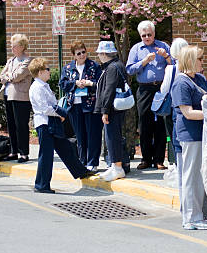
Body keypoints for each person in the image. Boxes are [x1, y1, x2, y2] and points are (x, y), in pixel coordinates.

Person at [170, 45, 207, 230]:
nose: (202, 62)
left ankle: (200, 215)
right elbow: (188, 113)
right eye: (200, 59)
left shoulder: (199, 79)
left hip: (203, 133)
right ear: (190, 60)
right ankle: (191, 218)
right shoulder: (180, 83)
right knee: (191, 177)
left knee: (202, 175)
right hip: (190, 135)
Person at [28, 58, 95, 193]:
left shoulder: (43, 86)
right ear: (40, 72)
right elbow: (44, 108)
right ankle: (41, 185)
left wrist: (58, 112)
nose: (49, 71)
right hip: (45, 124)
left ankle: (81, 171)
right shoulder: (37, 87)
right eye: (47, 69)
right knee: (46, 156)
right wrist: (60, 113)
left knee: (65, 148)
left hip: (52, 122)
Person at [126, 20, 172, 170]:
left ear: (154, 34)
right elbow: (130, 69)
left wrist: (166, 57)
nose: (147, 37)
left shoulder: (163, 46)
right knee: (144, 124)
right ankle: (146, 159)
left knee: (160, 124)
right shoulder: (136, 49)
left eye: (149, 34)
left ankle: (159, 159)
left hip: (160, 89)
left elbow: (175, 65)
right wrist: (144, 61)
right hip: (144, 89)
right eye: (144, 35)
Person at [59, 41, 103, 171]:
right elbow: (63, 84)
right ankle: (82, 161)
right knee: (80, 135)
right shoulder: (68, 68)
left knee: (93, 134)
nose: (82, 55)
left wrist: (89, 83)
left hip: (90, 104)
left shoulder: (94, 66)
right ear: (74, 55)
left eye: (84, 52)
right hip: (75, 105)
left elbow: (100, 83)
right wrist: (75, 83)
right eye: (79, 53)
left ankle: (92, 162)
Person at [95, 41, 130, 182]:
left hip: (112, 109)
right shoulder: (117, 65)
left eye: (99, 53)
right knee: (113, 136)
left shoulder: (112, 68)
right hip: (116, 108)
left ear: (104, 54)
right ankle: (115, 165)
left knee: (112, 137)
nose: (98, 56)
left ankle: (117, 166)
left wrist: (105, 110)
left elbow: (109, 90)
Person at [0, 33, 32, 163]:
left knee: (21, 125)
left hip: (21, 97)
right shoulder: (10, 61)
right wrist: (8, 77)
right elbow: (2, 75)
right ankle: (13, 151)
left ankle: (24, 153)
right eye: (11, 46)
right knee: (11, 125)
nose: (12, 49)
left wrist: (9, 77)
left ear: (22, 47)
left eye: (14, 46)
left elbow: (18, 76)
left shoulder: (28, 60)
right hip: (8, 95)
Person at [160, 37, 189, 168]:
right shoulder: (193, 68)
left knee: (174, 137)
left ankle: (179, 165)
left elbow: (164, 89)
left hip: (174, 107)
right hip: (190, 107)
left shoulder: (171, 69)